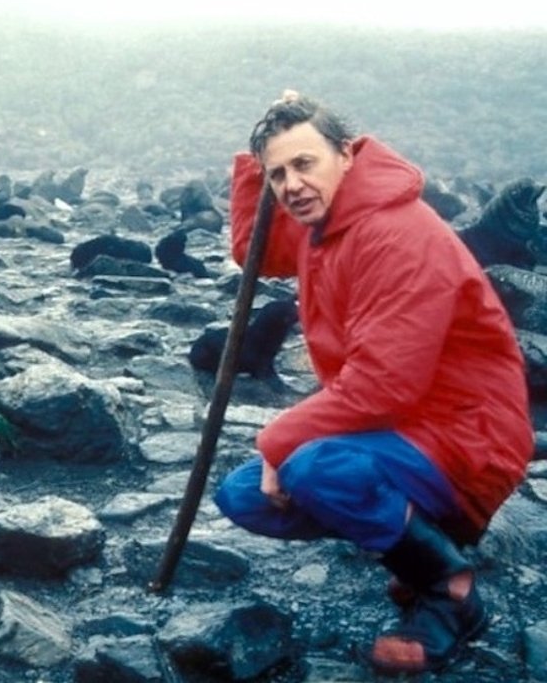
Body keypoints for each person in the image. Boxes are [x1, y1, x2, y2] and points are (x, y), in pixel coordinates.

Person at [212, 91, 533, 674]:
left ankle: (449, 589)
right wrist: (253, 158)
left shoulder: (399, 234)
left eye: (304, 163)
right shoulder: (324, 226)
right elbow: (251, 251)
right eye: (279, 173)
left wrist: (277, 441)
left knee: (311, 468)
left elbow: (384, 386)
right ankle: (417, 541)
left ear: (347, 155)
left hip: (469, 435)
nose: (291, 184)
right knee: (244, 495)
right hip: (400, 429)